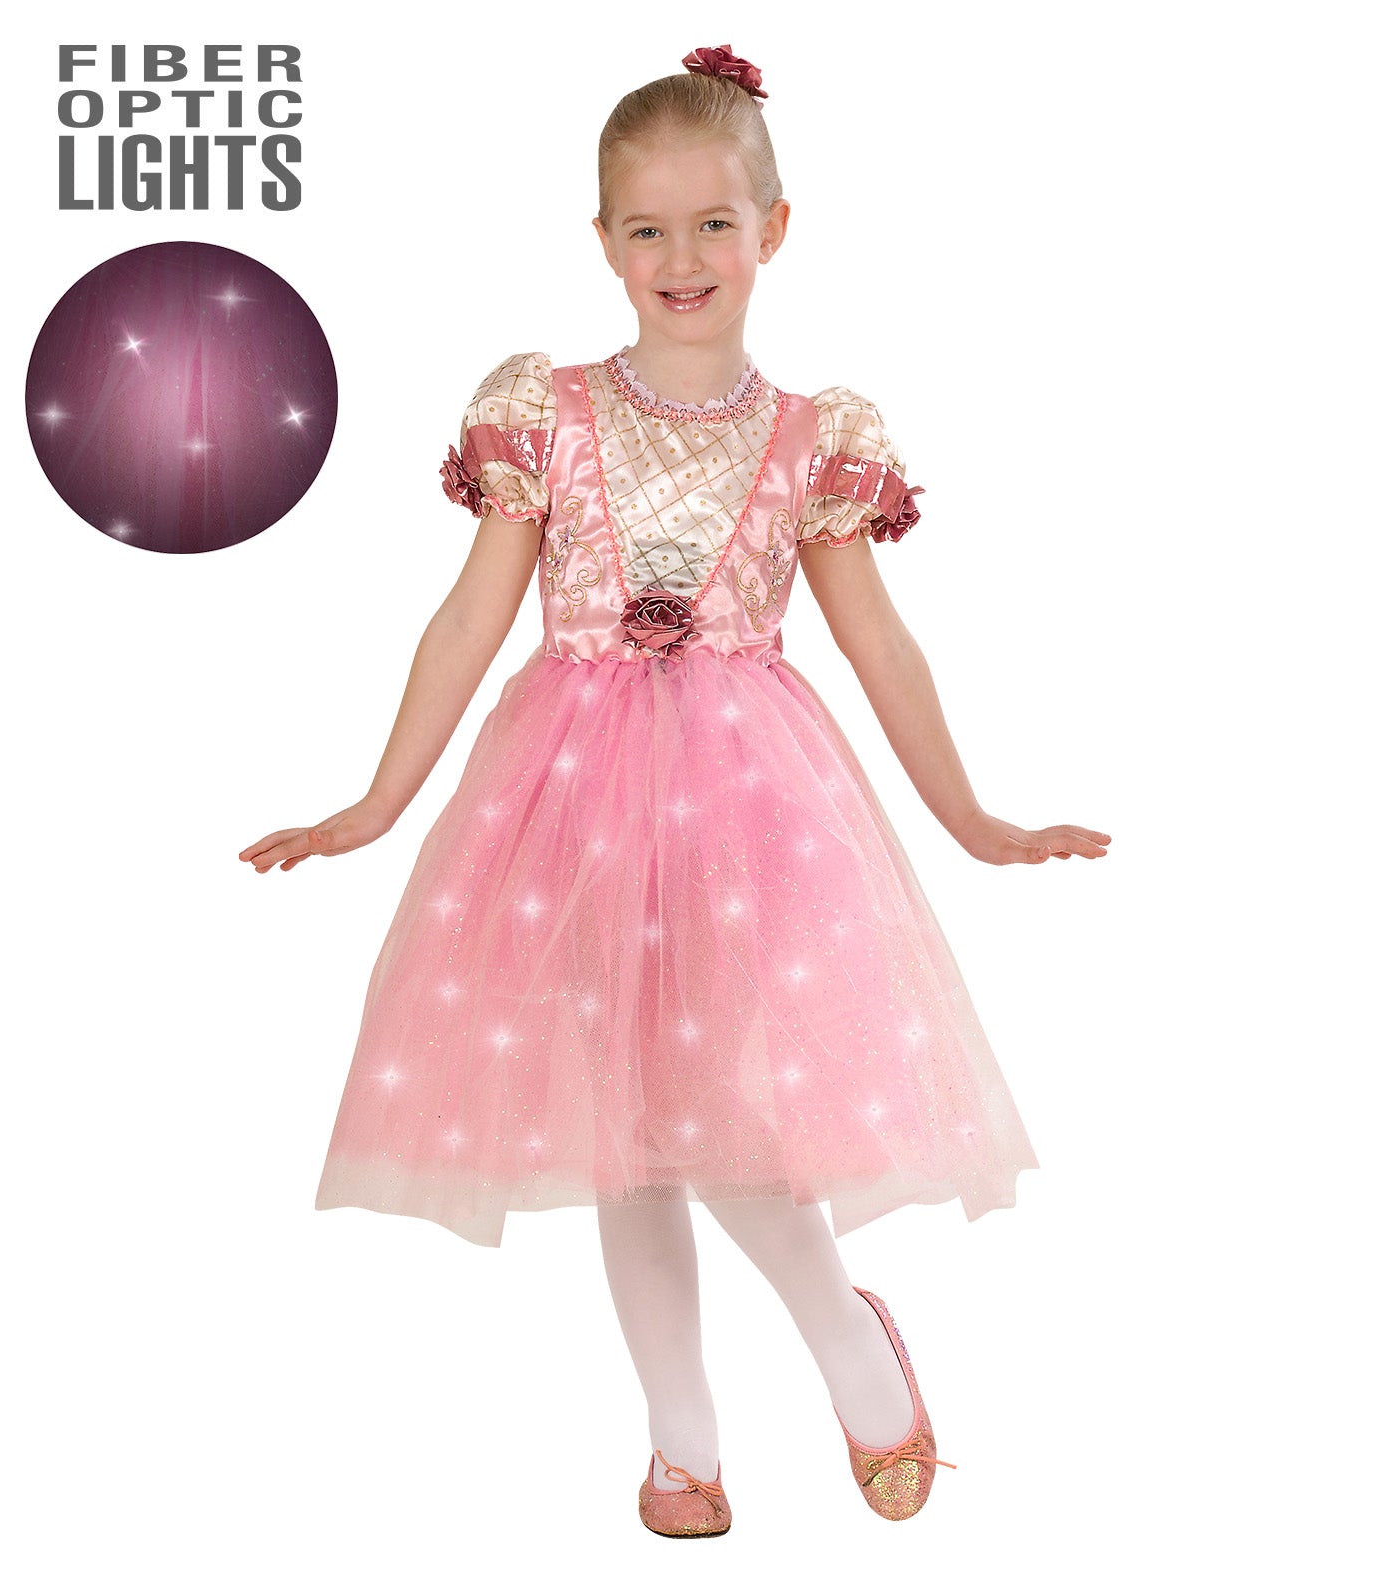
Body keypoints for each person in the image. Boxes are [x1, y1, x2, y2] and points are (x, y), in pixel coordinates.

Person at [239, 43, 1110, 1539]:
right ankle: (681, 1438)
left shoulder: (817, 437)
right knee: (622, 1136)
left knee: (726, 1123)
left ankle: (851, 1342)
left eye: (714, 222)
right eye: (647, 228)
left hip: (746, 812)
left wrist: (977, 821)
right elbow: (469, 617)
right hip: (566, 804)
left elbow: (878, 642)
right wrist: (375, 804)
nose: (682, 256)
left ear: (775, 229)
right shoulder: (545, 407)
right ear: (602, 242)